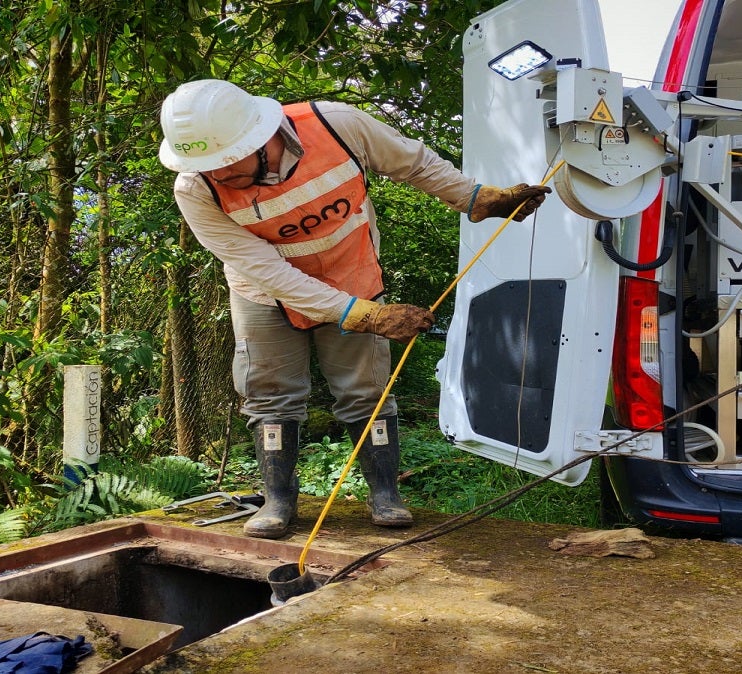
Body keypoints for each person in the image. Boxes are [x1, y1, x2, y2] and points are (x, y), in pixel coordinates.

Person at [159, 79, 550, 539]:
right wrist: (368, 316)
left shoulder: (337, 125)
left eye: (225, 162)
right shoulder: (195, 190)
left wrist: (475, 198)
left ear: (261, 137)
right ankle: (278, 500)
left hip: (353, 273)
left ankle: (385, 494)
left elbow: (414, 163)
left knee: (364, 389)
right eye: (206, 166)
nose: (218, 175)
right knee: (269, 391)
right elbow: (268, 271)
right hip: (264, 292)